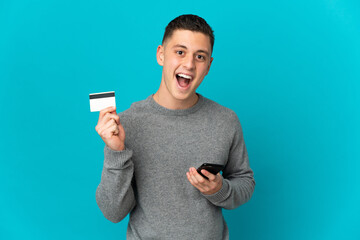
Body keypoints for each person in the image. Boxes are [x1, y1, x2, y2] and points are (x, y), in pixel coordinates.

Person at [95, 14, 255, 239]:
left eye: (200, 56)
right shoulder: (126, 124)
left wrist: (220, 190)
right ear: (161, 54)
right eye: (180, 52)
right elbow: (113, 212)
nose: (189, 64)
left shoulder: (225, 120)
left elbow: (245, 182)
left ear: (208, 65)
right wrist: (116, 152)